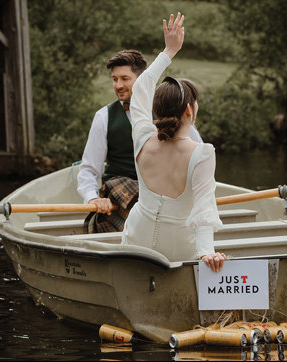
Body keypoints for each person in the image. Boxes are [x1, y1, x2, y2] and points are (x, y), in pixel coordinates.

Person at [122, 12, 225, 272]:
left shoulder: (142, 138)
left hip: (137, 243)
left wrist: (169, 51)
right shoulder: (202, 153)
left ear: (156, 109)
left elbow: (142, 85)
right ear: (189, 111)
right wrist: (207, 253)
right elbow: (204, 207)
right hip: (180, 250)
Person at [77, 49, 203, 233]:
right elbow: (88, 169)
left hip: (163, 191)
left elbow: (198, 153)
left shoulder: (168, 110)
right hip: (120, 196)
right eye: (114, 79)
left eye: (124, 78)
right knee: (133, 195)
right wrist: (93, 198)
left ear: (143, 79)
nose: (118, 85)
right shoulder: (103, 117)